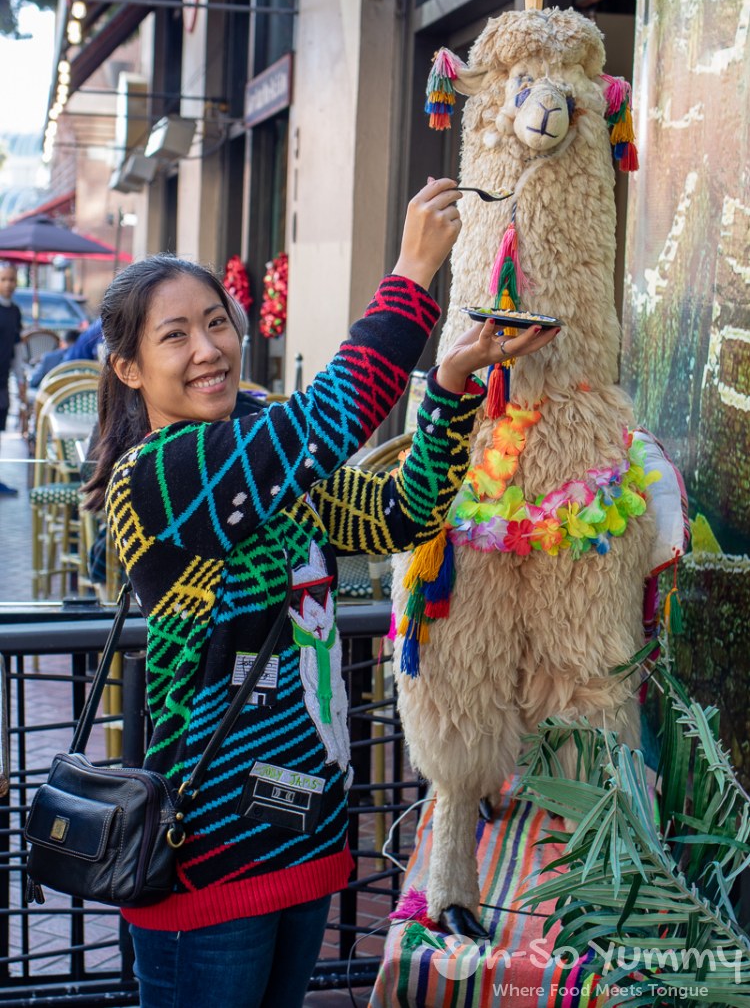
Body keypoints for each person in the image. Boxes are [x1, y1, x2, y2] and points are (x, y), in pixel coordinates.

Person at [83, 178, 558, 1008]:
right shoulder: (158, 475)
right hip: (205, 868)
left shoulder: (267, 465)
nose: (208, 348)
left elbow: (399, 513)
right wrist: (410, 274)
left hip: (303, 844)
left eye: (216, 322)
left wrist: (446, 388)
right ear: (129, 368)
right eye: (175, 336)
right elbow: (334, 413)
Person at [0, 262, 27, 496]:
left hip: (3, 380)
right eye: (3, 279)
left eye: (11, 280)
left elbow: (17, 348)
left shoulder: (15, 311)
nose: (8, 284)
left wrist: (20, 379)